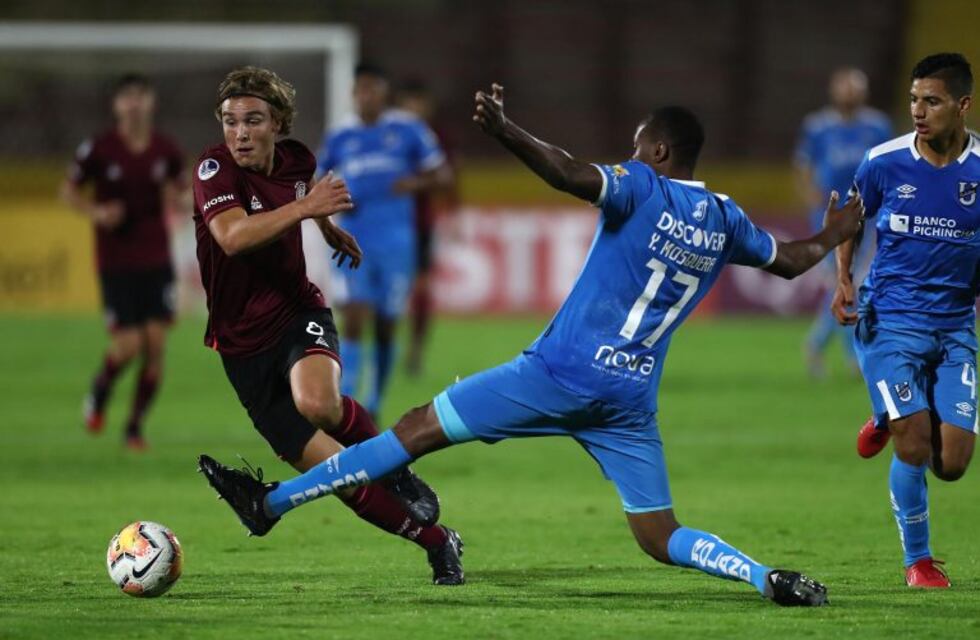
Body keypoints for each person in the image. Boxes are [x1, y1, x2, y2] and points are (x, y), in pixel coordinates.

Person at [200, 83, 865, 605]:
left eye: (638, 145)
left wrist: (504, 131)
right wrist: (837, 232)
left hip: (556, 375)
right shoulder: (725, 216)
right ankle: (762, 577)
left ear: (658, 152)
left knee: (413, 429)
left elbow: (570, 174)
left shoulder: (641, 187)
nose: (631, 154)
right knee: (660, 537)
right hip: (629, 401)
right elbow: (793, 258)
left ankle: (271, 504)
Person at [191, 66, 463, 585]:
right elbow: (231, 238)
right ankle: (439, 541)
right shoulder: (214, 171)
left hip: (297, 312)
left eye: (253, 121)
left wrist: (326, 225)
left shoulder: (299, 160)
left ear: (278, 125)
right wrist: (307, 209)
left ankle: (399, 470)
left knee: (318, 402)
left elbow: (303, 187)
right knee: (338, 477)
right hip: (240, 345)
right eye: (230, 122)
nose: (240, 133)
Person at [833, 53, 978, 588]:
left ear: (962, 105)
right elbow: (852, 218)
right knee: (914, 444)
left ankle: (882, 416)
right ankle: (919, 562)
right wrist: (844, 278)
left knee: (954, 463)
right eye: (915, 100)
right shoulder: (884, 160)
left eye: (932, 101)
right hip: (890, 317)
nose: (919, 111)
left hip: (957, 325)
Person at [315, 63, 453, 417]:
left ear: (384, 92)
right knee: (355, 313)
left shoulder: (408, 130)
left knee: (387, 323)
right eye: (360, 89)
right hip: (353, 237)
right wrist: (331, 205)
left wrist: (413, 184)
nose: (367, 96)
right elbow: (316, 182)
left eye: (373, 88)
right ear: (352, 93)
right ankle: (346, 401)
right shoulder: (339, 137)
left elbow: (442, 174)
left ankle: (373, 401)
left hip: (397, 242)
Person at [62, 73, 187, 450]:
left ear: (151, 102)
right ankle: (100, 391)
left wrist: (181, 201)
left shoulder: (165, 149)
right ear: (117, 105)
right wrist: (98, 212)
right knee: (129, 345)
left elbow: (184, 195)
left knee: (155, 345)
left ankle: (134, 428)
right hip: (116, 260)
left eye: (140, 96)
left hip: (156, 258)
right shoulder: (100, 148)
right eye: (127, 97)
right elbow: (68, 191)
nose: (134, 103)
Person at [795, 68, 892, 378]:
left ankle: (820, 346)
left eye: (855, 89)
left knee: (854, 283)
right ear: (834, 91)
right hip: (831, 213)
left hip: (867, 212)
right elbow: (803, 165)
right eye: (845, 88)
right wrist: (812, 200)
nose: (850, 94)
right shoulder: (817, 126)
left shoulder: (878, 126)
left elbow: (890, 167)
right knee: (846, 282)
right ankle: (849, 356)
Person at [397, 79, 460, 376]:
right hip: (385, 225)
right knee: (378, 294)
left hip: (420, 224)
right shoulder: (390, 135)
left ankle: (416, 351)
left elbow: (450, 177)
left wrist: (453, 213)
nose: (415, 109)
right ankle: (377, 350)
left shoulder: (436, 137)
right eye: (409, 103)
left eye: (419, 103)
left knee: (421, 288)